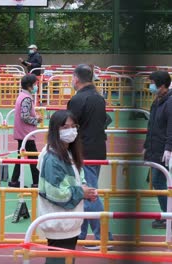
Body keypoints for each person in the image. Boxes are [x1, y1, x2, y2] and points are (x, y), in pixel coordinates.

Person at [37, 110, 97, 264]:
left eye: (73, 126)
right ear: (55, 130)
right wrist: (80, 192)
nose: (70, 130)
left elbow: (78, 174)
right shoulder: (52, 157)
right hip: (59, 223)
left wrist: (84, 188)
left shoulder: (68, 152)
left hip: (69, 222)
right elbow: (55, 192)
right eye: (64, 127)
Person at [67, 64, 113, 249]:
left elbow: (68, 124)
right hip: (97, 149)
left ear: (76, 79)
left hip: (82, 151)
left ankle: (103, 236)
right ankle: (82, 233)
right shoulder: (98, 98)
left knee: (89, 193)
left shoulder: (78, 100)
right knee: (85, 191)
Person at [144, 71, 172, 229]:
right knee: (158, 181)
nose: (151, 86)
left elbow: (170, 128)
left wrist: (168, 148)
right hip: (155, 148)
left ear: (162, 85)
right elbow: (152, 126)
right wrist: (146, 145)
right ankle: (167, 214)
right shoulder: (157, 101)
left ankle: (168, 215)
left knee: (159, 181)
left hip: (163, 150)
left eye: (153, 83)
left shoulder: (169, 102)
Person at [9, 74, 43, 188]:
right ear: (29, 86)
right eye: (35, 84)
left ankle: (14, 180)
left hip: (21, 132)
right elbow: (25, 116)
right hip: (26, 133)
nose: (36, 86)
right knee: (33, 158)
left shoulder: (22, 96)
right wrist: (36, 119)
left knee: (21, 157)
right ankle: (36, 182)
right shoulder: (27, 98)